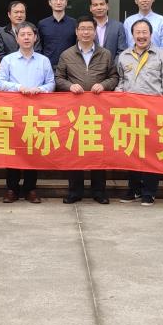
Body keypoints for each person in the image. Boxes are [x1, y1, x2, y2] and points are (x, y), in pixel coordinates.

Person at [55, 16, 119, 205]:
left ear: (94, 31)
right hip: (74, 111)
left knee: (98, 149)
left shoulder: (105, 54)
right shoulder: (66, 54)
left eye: (89, 29)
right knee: (74, 149)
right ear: (76, 32)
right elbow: (58, 78)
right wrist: (69, 86)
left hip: (98, 111)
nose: (85, 32)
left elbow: (114, 77)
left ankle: (99, 191)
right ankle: (75, 191)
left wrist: (104, 85)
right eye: (82, 29)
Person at [115, 20, 163, 206]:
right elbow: (121, 80)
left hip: (154, 112)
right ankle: (134, 189)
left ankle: (149, 191)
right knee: (132, 150)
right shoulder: (124, 56)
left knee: (152, 151)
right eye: (138, 32)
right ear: (132, 35)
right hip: (131, 112)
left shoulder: (161, 55)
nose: (141, 36)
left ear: (151, 34)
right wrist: (117, 94)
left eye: (145, 32)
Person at [0, 22, 54, 203]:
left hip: (35, 112)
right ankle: (11, 189)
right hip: (13, 112)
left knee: (32, 150)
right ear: (17, 38)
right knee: (13, 149)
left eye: (30, 34)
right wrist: (18, 87)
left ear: (35, 38)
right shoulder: (8, 60)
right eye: (23, 35)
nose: (26, 38)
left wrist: (40, 89)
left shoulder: (43, 60)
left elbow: (51, 83)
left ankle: (30, 189)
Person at [38, 0, 77, 65]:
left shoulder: (74, 23)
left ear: (66, 2)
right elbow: (39, 47)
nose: (58, 2)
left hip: (70, 66)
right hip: (48, 66)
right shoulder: (42, 24)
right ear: (50, 2)